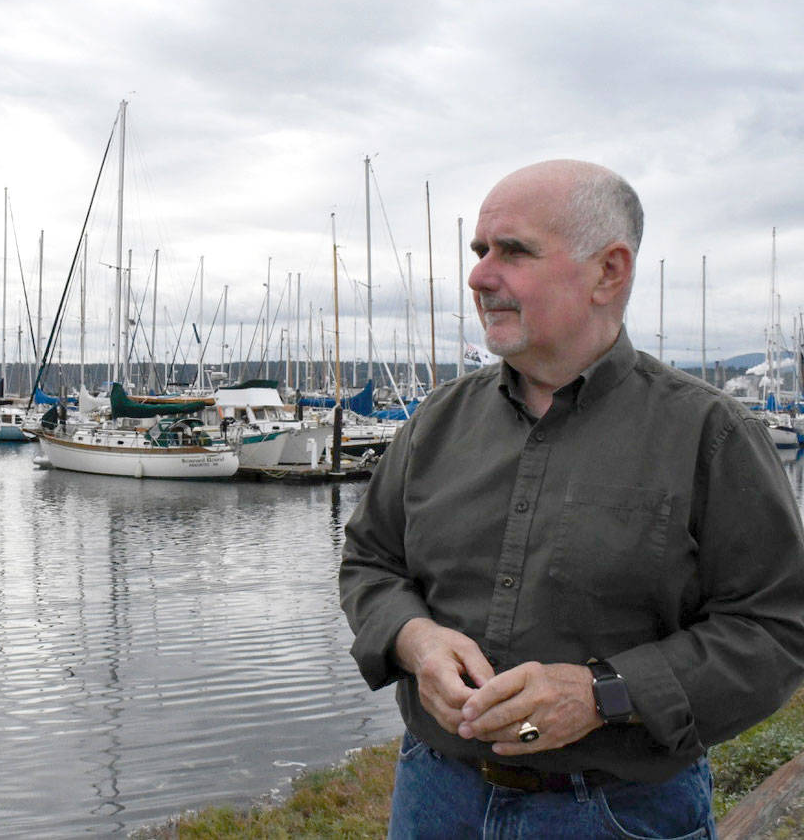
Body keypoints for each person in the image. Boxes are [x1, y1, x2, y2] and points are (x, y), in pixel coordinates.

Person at [339, 159, 804, 838]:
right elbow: (370, 563)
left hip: (618, 813)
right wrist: (416, 640)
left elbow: (776, 628)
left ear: (608, 271)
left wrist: (603, 693)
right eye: (479, 251)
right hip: (434, 795)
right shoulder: (436, 421)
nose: (479, 275)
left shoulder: (710, 433)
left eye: (514, 251)